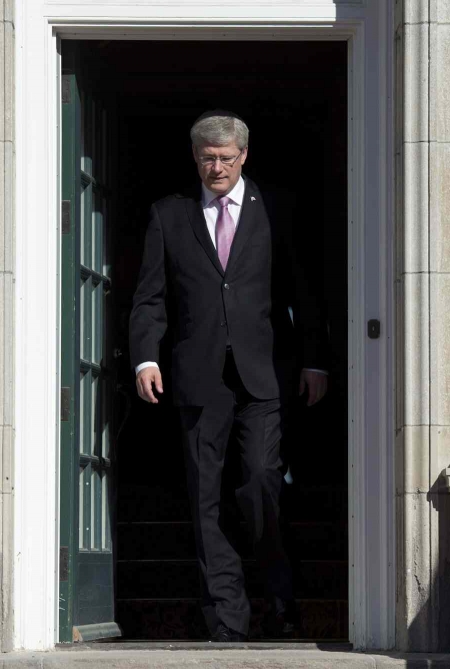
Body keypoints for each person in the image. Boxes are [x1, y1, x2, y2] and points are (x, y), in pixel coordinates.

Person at [129, 110, 329, 642]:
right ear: (195, 158)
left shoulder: (277, 208)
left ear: (243, 156)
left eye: (225, 158)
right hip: (198, 378)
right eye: (206, 158)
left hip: (265, 376)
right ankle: (226, 617)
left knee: (261, 482)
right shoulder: (169, 215)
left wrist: (315, 359)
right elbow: (150, 296)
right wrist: (145, 357)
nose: (216, 167)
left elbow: (303, 291)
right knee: (204, 497)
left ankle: (281, 600)